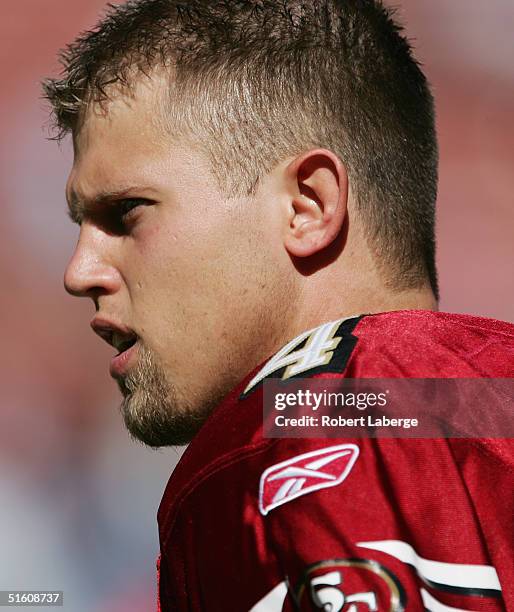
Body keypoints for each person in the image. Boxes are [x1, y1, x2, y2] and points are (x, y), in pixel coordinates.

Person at [43, 0, 513, 609]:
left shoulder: (308, 420)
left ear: (307, 206)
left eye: (127, 213)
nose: (79, 273)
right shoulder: (475, 399)